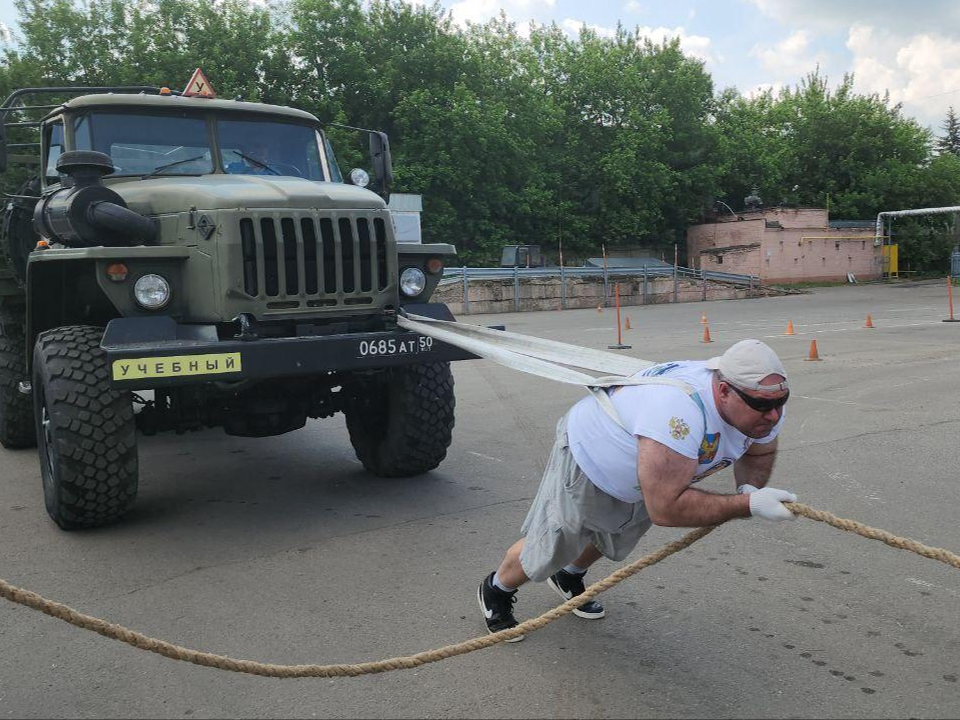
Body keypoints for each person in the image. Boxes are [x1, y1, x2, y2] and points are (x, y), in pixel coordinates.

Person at [477, 338, 797, 641]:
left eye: (780, 403)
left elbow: (760, 450)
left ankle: (568, 575)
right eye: (762, 405)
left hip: (651, 473)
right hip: (591, 459)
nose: (773, 415)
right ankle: (497, 589)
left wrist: (748, 487)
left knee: (614, 536)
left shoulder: (763, 406)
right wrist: (748, 505)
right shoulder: (679, 412)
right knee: (554, 544)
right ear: (724, 390)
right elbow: (666, 508)